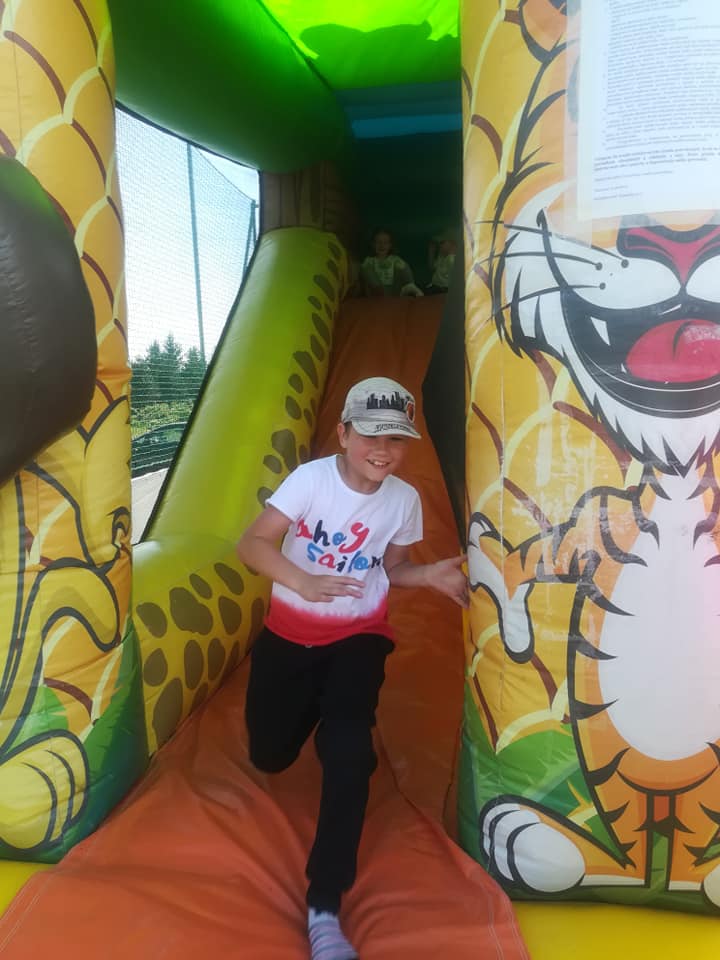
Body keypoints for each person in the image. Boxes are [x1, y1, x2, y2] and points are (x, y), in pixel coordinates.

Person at [236, 376, 468, 960]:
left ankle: (324, 907)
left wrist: (428, 575)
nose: (383, 449)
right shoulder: (311, 481)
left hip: (358, 639)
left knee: (350, 753)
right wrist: (303, 581)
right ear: (342, 434)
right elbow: (253, 544)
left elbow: (390, 569)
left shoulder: (403, 501)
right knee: (270, 753)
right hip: (289, 639)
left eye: (396, 438)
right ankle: (319, 715)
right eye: (370, 435)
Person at [359, 228, 423, 297]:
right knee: (366, 268)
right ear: (373, 244)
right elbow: (366, 273)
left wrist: (409, 282)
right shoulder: (369, 261)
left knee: (401, 266)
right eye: (378, 242)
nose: (382, 245)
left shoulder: (395, 260)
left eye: (385, 243)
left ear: (390, 245)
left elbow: (406, 272)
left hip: (394, 292)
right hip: (376, 293)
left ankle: (410, 288)